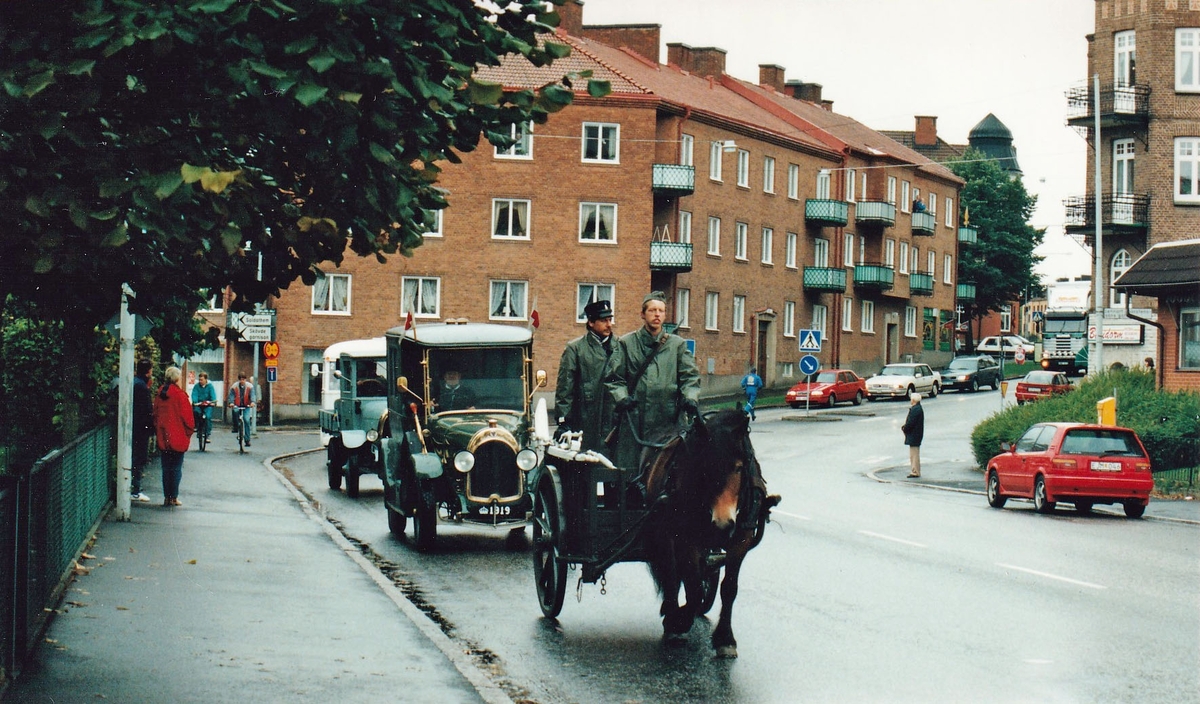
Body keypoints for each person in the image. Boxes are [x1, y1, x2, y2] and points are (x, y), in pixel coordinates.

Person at [606, 291, 701, 472]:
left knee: (667, 471)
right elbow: (614, 378)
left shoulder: (677, 345)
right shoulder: (627, 343)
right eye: (652, 310)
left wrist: (690, 397)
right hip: (634, 419)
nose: (657, 314)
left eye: (661, 311)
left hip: (668, 418)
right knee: (631, 471)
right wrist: (622, 398)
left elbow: (690, 376)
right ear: (643, 314)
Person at [555, 299, 622, 453]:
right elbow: (565, 387)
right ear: (591, 322)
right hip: (585, 419)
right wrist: (563, 420)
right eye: (603, 320)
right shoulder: (576, 349)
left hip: (614, 418)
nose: (609, 324)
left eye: (610, 320)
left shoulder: (620, 346)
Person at [154, 366, 194, 507]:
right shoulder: (180, 396)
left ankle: (166, 497)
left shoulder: (160, 394)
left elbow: (156, 415)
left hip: (163, 437)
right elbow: (188, 420)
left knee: (166, 468)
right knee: (176, 468)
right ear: (177, 378)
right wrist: (187, 434)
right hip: (178, 437)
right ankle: (174, 497)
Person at [131, 359, 154, 502]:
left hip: (135, 427)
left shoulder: (135, 383)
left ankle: (134, 488)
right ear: (147, 371)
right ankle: (135, 489)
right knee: (138, 458)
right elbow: (145, 410)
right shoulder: (142, 387)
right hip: (140, 429)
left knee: (135, 457)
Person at [227, 372, 255, 447]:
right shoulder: (234, 386)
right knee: (235, 411)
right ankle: (235, 427)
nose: (242, 381)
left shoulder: (250, 386)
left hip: (246, 405)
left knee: (246, 420)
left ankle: (247, 439)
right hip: (237, 405)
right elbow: (232, 395)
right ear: (239, 380)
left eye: (243, 379)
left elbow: (252, 395)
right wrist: (231, 403)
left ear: (245, 379)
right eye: (240, 379)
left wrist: (252, 402)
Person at [902, 392, 924, 478]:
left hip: (914, 434)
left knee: (914, 455)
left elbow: (911, 422)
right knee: (914, 454)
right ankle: (915, 470)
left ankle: (915, 471)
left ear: (913, 400)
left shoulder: (915, 410)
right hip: (916, 434)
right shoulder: (918, 408)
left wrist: (905, 428)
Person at [190, 372, 216, 447]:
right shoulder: (196, 386)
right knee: (196, 412)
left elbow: (213, 396)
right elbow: (194, 394)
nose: (200, 381)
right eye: (199, 380)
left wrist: (213, 401)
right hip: (199, 405)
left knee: (208, 417)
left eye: (202, 380)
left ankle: (207, 434)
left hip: (208, 405)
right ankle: (198, 429)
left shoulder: (210, 386)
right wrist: (195, 401)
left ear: (206, 379)